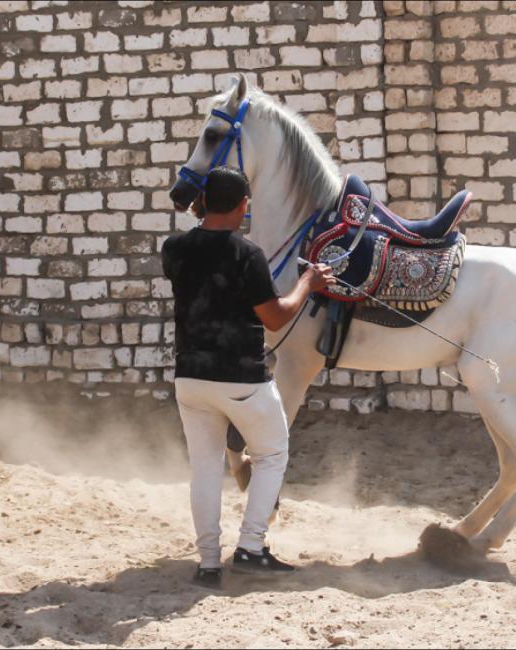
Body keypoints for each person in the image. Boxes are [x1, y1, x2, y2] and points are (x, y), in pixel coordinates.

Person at [161, 166, 333, 590]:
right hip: (240, 377)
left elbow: (199, 259)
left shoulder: (174, 248)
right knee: (272, 454)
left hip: (190, 377)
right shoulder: (247, 254)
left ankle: (207, 564)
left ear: (202, 203)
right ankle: (251, 547)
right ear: (242, 205)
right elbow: (275, 315)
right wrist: (308, 283)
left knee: (204, 468)